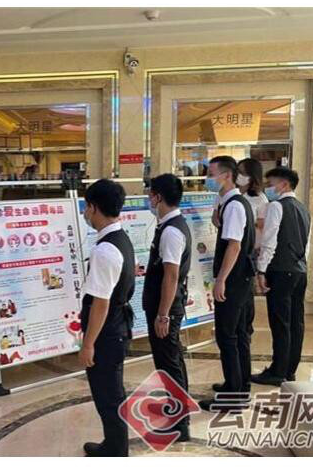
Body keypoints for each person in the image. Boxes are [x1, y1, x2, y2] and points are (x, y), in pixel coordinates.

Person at [79, 179, 135, 457]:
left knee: (107, 395)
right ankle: (114, 444)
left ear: (93, 207)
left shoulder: (105, 250)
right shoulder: (120, 238)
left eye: (86, 207)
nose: (85, 213)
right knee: (112, 391)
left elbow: (101, 303)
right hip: (117, 325)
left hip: (107, 332)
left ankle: (115, 450)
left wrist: (88, 344)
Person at [198, 156, 256, 411]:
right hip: (242, 278)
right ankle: (239, 385)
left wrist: (221, 280)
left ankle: (234, 395)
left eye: (211, 173)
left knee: (228, 335)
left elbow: (234, 245)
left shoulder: (234, 206)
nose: (208, 178)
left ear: (226, 175)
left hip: (233, 279)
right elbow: (219, 224)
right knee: (239, 334)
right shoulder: (232, 202)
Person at [142, 173, 192, 441]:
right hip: (167, 305)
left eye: (150, 194)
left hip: (166, 308)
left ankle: (179, 424)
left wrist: (163, 315)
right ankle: (178, 409)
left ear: (158, 197)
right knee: (172, 360)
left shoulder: (171, 231)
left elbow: (171, 276)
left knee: (168, 363)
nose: (148, 198)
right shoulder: (170, 225)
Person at [251, 167, 311, 386]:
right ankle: (289, 369)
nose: (268, 188)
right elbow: (306, 243)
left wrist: (261, 270)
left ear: (284, 184)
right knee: (296, 322)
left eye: (271, 184)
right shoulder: (303, 208)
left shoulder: (276, 206)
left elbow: (270, 240)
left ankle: (277, 371)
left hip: (280, 270)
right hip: (299, 271)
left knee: (280, 322)